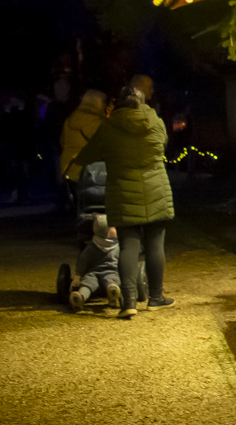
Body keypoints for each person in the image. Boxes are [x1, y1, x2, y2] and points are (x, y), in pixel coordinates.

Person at [72, 84, 174, 318]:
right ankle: (156, 298)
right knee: (155, 245)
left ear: (118, 103)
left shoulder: (109, 127)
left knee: (129, 245)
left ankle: (129, 303)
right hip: (156, 190)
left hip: (124, 193)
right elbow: (163, 145)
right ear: (143, 101)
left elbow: (89, 154)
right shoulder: (156, 122)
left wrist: (79, 158)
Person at [66, 215, 123, 313]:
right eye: (112, 228)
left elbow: (82, 261)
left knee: (88, 283)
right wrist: (77, 276)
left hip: (95, 272)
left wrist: (78, 276)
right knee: (109, 280)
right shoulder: (116, 246)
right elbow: (83, 261)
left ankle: (84, 296)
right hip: (106, 271)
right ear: (106, 232)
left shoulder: (93, 246)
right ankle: (81, 297)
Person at [59, 89, 108, 184]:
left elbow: (62, 142)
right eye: (103, 102)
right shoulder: (99, 124)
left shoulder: (70, 119)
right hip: (84, 172)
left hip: (65, 167)